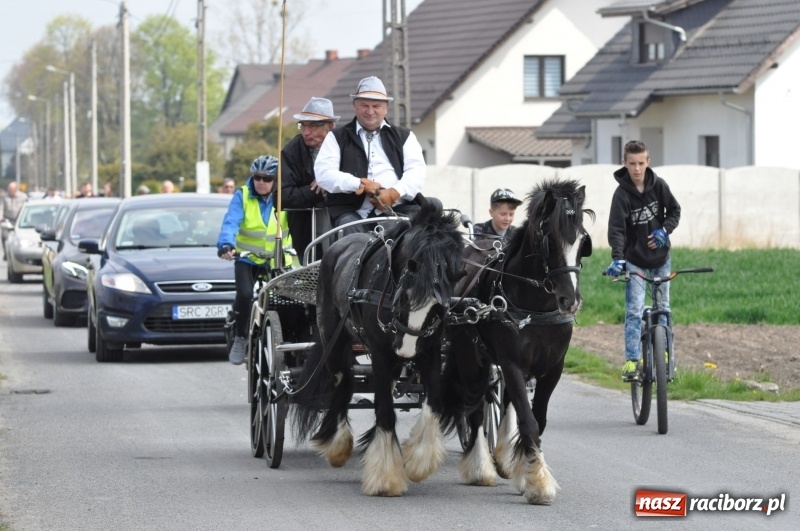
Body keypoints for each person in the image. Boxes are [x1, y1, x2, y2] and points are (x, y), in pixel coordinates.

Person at [605, 140, 681, 381]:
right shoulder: (621, 196)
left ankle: (665, 356)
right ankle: (631, 361)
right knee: (635, 309)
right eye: (632, 164)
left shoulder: (659, 186)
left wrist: (664, 231)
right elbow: (616, 230)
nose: (636, 168)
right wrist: (618, 259)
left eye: (641, 163)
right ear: (624, 164)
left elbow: (675, 211)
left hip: (661, 258)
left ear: (648, 162)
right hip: (635, 260)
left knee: (663, 307)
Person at [314, 76, 426, 235]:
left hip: (398, 210)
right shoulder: (336, 137)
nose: (370, 111)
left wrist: (393, 193)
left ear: (386, 107)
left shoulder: (405, 136)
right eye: (364, 105)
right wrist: (360, 184)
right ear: (354, 105)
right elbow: (324, 174)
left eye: (376, 106)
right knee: (351, 237)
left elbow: (416, 173)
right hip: (352, 213)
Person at [216, 155, 292, 365]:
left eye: (267, 179)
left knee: (289, 299)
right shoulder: (243, 194)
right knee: (245, 293)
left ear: (275, 180)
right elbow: (231, 222)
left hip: (277, 258)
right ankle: (240, 337)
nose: (261, 182)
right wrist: (226, 244)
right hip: (247, 258)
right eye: (257, 177)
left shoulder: (284, 196)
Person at [281, 97, 338, 259]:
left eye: (313, 126)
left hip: (343, 225)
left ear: (331, 126)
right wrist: (315, 191)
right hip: (306, 230)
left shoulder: (347, 145)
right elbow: (281, 196)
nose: (306, 132)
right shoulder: (292, 150)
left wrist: (330, 180)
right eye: (303, 125)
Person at [1, 181, 28, 260]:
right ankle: (6, 253)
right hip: (7, 219)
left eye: (11, 189)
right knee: (4, 236)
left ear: (16, 189)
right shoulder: (4, 197)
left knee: (20, 238)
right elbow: (1, 207)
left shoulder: (23, 197)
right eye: (9, 189)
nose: (9, 191)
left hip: (19, 220)